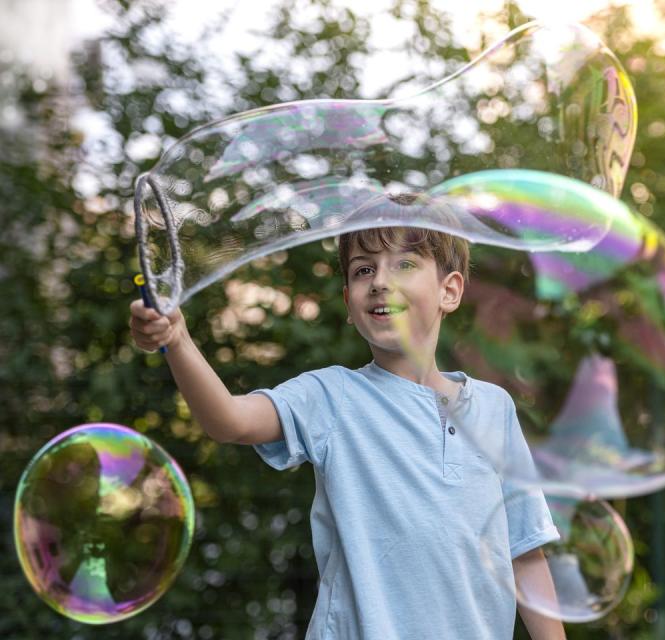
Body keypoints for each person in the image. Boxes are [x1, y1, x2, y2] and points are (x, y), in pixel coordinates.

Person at [130, 224, 566, 640]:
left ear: (449, 291)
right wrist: (179, 341)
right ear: (348, 302)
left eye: (404, 265)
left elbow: (525, 553)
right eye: (363, 269)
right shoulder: (332, 395)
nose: (379, 281)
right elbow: (229, 420)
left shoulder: (494, 408)